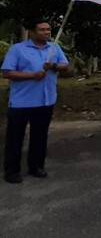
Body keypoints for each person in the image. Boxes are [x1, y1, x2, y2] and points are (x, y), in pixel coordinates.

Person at [2, 18, 69, 184]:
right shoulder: (18, 49)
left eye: (48, 29)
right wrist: (32, 76)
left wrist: (53, 66)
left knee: (39, 137)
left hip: (46, 101)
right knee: (15, 138)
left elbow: (66, 66)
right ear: (32, 32)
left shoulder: (54, 48)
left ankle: (36, 166)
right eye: (42, 30)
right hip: (22, 102)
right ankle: (12, 171)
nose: (46, 32)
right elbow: (7, 72)